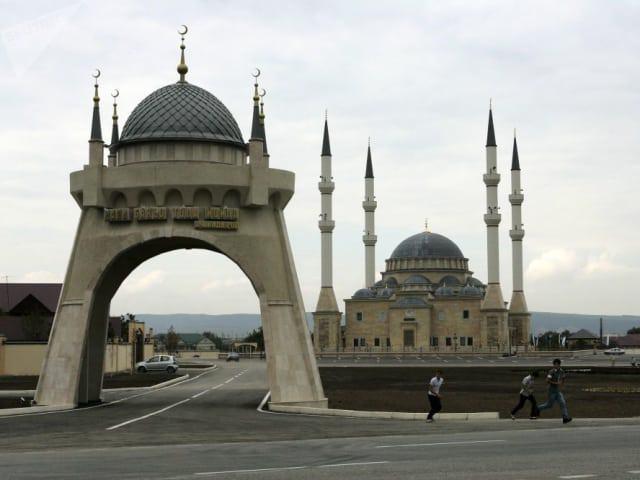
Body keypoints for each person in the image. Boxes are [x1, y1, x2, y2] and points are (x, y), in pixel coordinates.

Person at [537, 358, 572, 424]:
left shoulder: (561, 371)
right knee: (549, 405)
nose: (555, 366)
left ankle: (565, 418)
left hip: (558, 391)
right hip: (552, 391)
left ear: (559, 365)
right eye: (554, 364)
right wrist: (555, 383)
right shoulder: (551, 372)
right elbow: (547, 380)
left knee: (563, 403)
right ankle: (538, 408)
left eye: (557, 364)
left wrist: (561, 382)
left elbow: (563, 379)